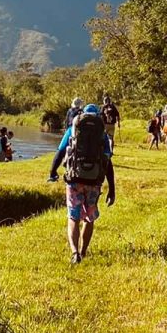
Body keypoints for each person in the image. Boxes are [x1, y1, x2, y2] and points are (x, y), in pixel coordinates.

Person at [48, 103, 115, 263]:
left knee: (73, 217)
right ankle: (83, 252)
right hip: (94, 181)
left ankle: (74, 252)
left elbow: (60, 152)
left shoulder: (73, 129)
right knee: (89, 218)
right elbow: (107, 162)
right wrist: (112, 189)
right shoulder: (102, 134)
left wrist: (52, 172)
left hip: (74, 180)